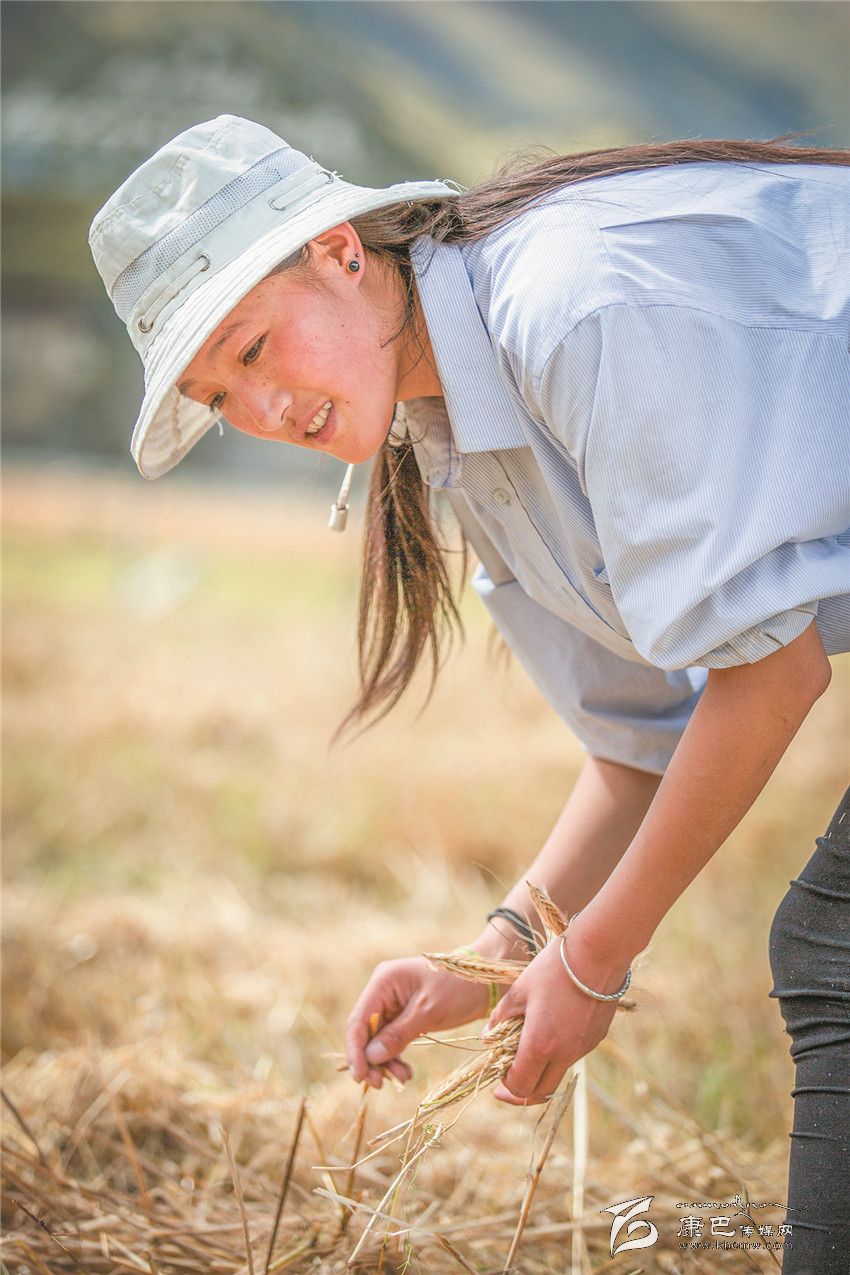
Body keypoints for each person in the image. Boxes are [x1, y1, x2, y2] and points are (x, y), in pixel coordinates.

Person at [89, 115, 849, 1272]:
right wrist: (493, 955)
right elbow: (641, 743)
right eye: (218, 395)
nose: (264, 410)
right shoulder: (456, 441)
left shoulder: (569, 308)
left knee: (830, 943)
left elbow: (770, 672)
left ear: (340, 253)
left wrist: (593, 959)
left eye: (253, 349)